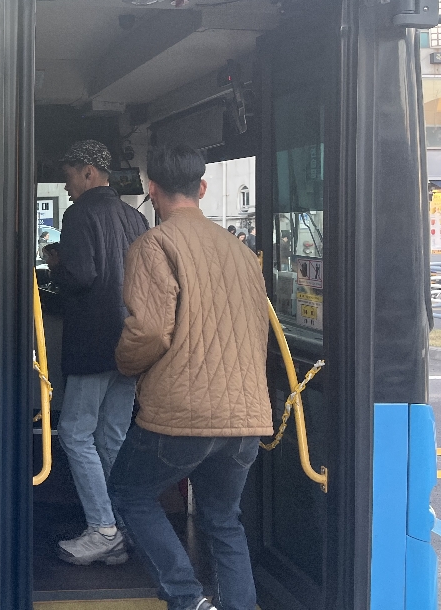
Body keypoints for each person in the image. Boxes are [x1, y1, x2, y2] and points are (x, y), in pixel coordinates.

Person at [111, 144, 272, 610]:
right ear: (201, 188)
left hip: (182, 412)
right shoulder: (241, 251)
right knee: (223, 519)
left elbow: (148, 330)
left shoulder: (154, 244)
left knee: (129, 492)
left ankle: (188, 599)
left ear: (152, 189)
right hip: (246, 415)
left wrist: (124, 363)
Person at [43, 139, 148, 566]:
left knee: (74, 433)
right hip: (131, 342)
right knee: (112, 436)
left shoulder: (80, 214)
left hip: (93, 342)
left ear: (88, 172)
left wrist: (56, 267)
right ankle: (120, 525)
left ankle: (102, 528)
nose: (66, 187)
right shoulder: (135, 218)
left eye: (68, 177)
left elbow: (82, 275)